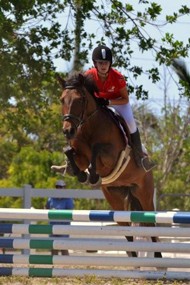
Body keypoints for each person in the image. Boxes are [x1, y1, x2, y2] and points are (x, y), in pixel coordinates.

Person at [85, 44, 155, 172]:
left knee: (131, 124)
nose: (103, 66)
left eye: (106, 63)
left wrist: (108, 102)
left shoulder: (118, 77)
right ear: (95, 63)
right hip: (99, 105)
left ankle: (141, 156)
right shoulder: (89, 75)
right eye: (100, 63)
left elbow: (125, 99)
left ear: (110, 63)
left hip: (118, 103)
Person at [45, 179, 74, 255]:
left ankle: (65, 265)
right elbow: (46, 208)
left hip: (64, 227)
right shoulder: (51, 198)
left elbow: (70, 212)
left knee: (64, 248)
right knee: (53, 248)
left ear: (64, 188)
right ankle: (53, 265)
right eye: (57, 186)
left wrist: (58, 212)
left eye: (61, 187)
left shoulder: (68, 199)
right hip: (53, 226)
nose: (59, 188)